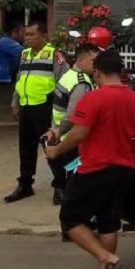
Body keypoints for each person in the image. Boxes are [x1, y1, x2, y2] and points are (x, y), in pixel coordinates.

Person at [44, 50, 135, 269]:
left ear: (97, 72)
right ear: (120, 71)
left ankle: (105, 257)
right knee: (109, 223)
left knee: (70, 219)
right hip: (124, 167)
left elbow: (79, 133)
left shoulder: (94, 98)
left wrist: (57, 150)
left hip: (96, 167)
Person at [5, 20, 63, 204]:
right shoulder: (25, 54)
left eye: (31, 34)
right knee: (26, 148)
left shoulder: (54, 55)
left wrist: (59, 113)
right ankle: (25, 185)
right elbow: (20, 79)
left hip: (45, 108)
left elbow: (64, 84)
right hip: (26, 106)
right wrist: (15, 102)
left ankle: (60, 186)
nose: (27, 38)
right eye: (26, 34)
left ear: (44, 36)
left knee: (50, 146)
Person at [47, 42, 100, 200]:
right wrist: (59, 131)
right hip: (71, 136)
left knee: (65, 170)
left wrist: (55, 128)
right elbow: (73, 115)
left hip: (60, 131)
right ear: (81, 60)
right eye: (93, 60)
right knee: (74, 175)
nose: (97, 65)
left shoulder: (69, 75)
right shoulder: (82, 82)